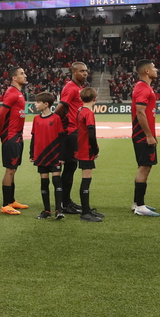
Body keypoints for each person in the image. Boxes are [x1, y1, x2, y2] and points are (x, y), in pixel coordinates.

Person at [0, 67, 30, 216]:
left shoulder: (18, 93)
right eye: (21, 73)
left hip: (17, 136)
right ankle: (5, 204)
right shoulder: (11, 92)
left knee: (13, 169)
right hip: (11, 137)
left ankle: (11, 200)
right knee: (10, 170)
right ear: (14, 78)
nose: (25, 75)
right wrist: (3, 134)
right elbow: (0, 115)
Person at [58, 62, 89, 213]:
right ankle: (65, 203)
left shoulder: (78, 88)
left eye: (86, 71)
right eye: (82, 71)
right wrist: (53, 124)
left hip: (76, 131)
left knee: (71, 167)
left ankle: (67, 200)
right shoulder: (70, 88)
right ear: (74, 72)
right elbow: (60, 108)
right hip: (71, 132)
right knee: (69, 167)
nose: (85, 73)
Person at [30, 92, 66, 220]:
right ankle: (46, 210)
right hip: (41, 155)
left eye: (38, 102)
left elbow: (61, 138)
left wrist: (61, 156)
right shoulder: (36, 119)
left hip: (54, 155)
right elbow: (34, 137)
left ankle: (59, 210)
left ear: (46, 104)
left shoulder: (55, 118)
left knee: (57, 181)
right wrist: (31, 153)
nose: (35, 104)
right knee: (44, 182)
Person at [130, 59, 159, 217]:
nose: (156, 70)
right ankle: (140, 206)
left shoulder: (143, 87)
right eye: (153, 67)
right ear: (146, 71)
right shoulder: (142, 88)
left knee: (145, 166)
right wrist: (148, 135)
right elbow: (140, 112)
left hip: (143, 134)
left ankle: (137, 203)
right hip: (142, 135)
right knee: (144, 167)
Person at [75, 86, 103, 222]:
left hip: (82, 147)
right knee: (86, 179)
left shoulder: (80, 110)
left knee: (86, 179)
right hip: (86, 150)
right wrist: (95, 149)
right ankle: (85, 212)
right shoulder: (88, 113)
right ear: (95, 99)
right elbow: (91, 133)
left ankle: (87, 209)